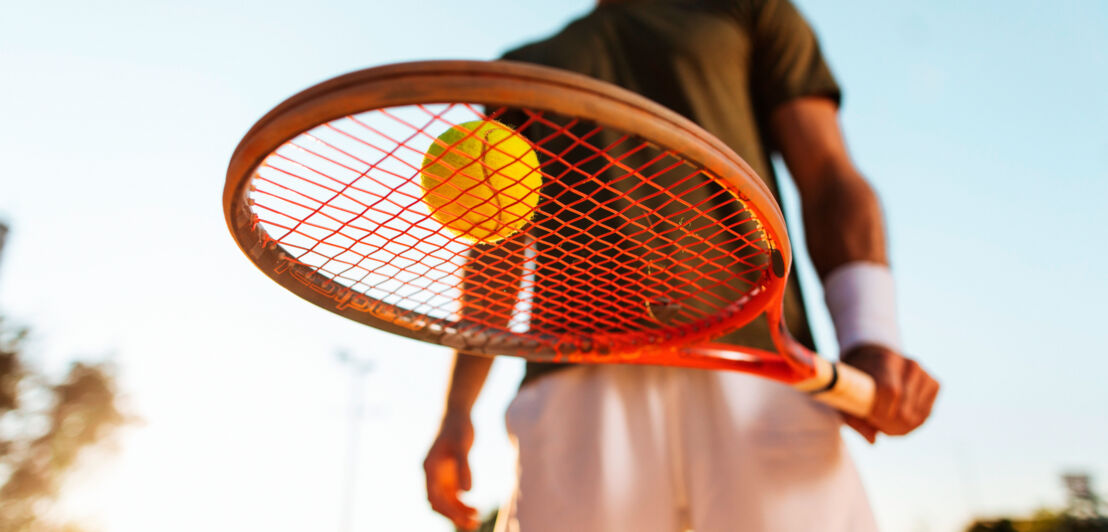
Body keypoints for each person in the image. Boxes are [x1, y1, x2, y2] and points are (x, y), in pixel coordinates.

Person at [424, 0, 940, 530]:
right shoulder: (521, 68)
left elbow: (828, 173)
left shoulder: (746, 8)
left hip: (756, 361)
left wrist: (870, 335)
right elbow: (498, 247)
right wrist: (457, 411)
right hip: (574, 376)